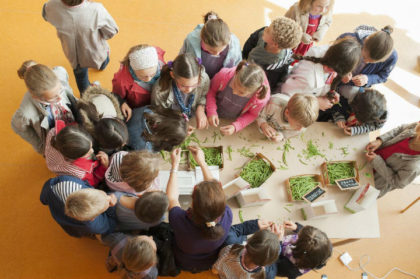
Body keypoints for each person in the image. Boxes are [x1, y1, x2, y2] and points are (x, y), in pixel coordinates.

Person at [167, 146, 232, 272]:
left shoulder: (178, 219)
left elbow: (172, 199)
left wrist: (174, 166)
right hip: (209, 260)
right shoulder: (227, 214)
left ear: (192, 201)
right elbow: (216, 191)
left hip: (182, 260)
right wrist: (202, 163)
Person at [42, 0, 118, 94]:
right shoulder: (96, 9)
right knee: (103, 60)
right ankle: (101, 67)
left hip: (73, 55)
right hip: (95, 52)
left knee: (81, 78)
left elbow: (46, 16)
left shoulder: (51, 5)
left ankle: (86, 95)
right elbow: (112, 31)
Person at [11, 60, 77, 154]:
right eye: (53, 97)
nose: (59, 98)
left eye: (60, 90)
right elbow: (16, 126)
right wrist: (41, 147)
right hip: (54, 133)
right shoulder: (25, 113)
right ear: (36, 97)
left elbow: (67, 86)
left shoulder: (60, 72)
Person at [280, 38, 361, 113]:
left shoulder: (330, 53)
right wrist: (316, 102)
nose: (334, 72)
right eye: (332, 69)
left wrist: (329, 93)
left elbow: (326, 80)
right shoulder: (309, 78)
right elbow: (283, 98)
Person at [206, 61, 270, 136]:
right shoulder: (223, 75)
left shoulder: (260, 99)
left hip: (231, 120)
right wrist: (211, 111)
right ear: (236, 73)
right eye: (234, 85)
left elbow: (252, 114)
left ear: (255, 91)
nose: (234, 92)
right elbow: (211, 91)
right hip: (210, 113)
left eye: (241, 92)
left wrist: (236, 126)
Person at [40, 175, 117, 237]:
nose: (109, 197)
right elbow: (109, 226)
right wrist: (113, 207)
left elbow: (43, 198)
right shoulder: (94, 225)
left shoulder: (66, 181)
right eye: (108, 203)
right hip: (77, 227)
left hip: (58, 213)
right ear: (93, 218)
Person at [151, 53, 210, 129]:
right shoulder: (160, 90)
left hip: (191, 116)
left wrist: (200, 109)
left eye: (195, 84)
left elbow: (203, 95)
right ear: (172, 75)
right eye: (183, 85)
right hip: (172, 120)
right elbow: (159, 115)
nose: (189, 89)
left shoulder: (204, 78)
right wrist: (177, 126)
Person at [337, 25, 397, 98]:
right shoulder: (348, 38)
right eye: (364, 57)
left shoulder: (392, 57)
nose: (366, 62)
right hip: (334, 79)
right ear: (365, 41)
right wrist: (341, 72)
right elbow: (329, 57)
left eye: (372, 62)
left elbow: (383, 76)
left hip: (352, 86)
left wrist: (368, 79)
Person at [242, 17, 302, 90]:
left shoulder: (274, 67)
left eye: (268, 31)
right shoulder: (262, 33)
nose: (265, 29)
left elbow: (267, 83)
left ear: (275, 44)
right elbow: (249, 45)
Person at [44, 121, 109, 187]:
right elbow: (93, 182)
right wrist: (104, 167)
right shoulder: (80, 173)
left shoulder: (52, 132)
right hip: (64, 169)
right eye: (86, 153)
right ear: (75, 157)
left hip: (52, 163)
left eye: (91, 147)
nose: (92, 151)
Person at [179, 11, 242, 79]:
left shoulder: (234, 45)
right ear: (202, 39)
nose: (216, 54)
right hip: (197, 79)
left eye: (221, 50)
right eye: (211, 50)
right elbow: (181, 58)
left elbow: (237, 65)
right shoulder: (191, 41)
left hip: (221, 81)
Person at [365, 121, 420, 198]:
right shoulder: (416, 126)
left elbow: (397, 182)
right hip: (368, 158)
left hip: (374, 181)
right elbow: (399, 129)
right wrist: (380, 141)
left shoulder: (414, 167)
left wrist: (376, 161)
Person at [112, 44, 166, 119]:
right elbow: (117, 96)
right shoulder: (121, 81)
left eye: (153, 74)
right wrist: (122, 103)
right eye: (143, 76)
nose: (148, 79)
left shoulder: (157, 57)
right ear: (133, 70)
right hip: (139, 107)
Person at [212, 227, 282, 279]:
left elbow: (232, 231)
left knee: (241, 236)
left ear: (247, 243)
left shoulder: (230, 249)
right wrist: (279, 242)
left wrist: (255, 224)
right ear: (265, 264)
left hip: (223, 275)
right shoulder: (265, 274)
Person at [77, 85, 129, 153]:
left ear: (118, 121)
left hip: (93, 99)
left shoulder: (112, 112)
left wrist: (122, 102)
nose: (124, 144)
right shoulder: (88, 135)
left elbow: (113, 95)